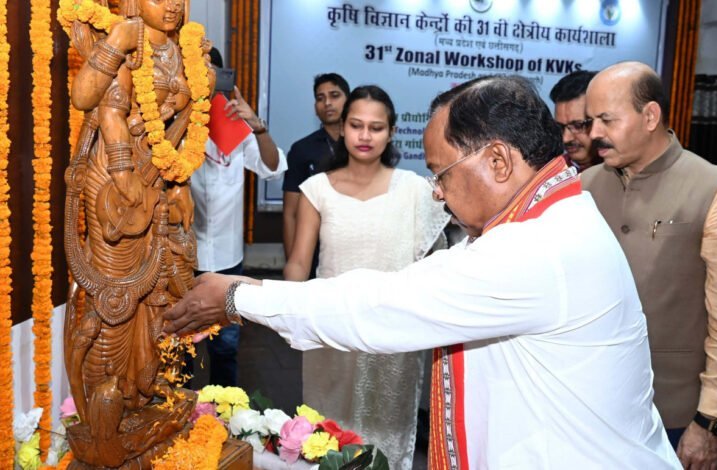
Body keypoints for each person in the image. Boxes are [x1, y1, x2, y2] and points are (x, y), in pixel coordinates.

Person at [165, 75, 680, 468]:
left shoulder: (540, 246)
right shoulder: (548, 216)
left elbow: (384, 304)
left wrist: (237, 296)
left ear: (499, 161)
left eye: (442, 173)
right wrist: (252, 288)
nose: (436, 190)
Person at [581, 61, 717, 468]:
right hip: (588, 409)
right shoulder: (583, 188)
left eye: (606, 120)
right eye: (591, 121)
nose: (595, 134)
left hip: (674, 417)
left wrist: (709, 422)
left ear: (651, 116)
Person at [62, 0, 208, 466]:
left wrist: (179, 181)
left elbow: (183, 133)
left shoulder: (189, 47)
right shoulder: (128, 36)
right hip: (116, 182)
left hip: (157, 177)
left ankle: (141, 390)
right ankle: (105, 403)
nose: (171, 4)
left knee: (157, 287)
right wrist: (116, 42)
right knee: (116, 298)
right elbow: (89, 99)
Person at [284, 85, 449, 469]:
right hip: (330, 332)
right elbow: (298, 262)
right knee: (327, 433)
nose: (365, 135)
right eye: (356, 125)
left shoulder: (414, 190)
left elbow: (437, 263)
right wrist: (286, 312)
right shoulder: (317, 189)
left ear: (391, 132)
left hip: (391, 335)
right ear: (341, 128)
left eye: (376, 127)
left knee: (385, 434)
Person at [189, 48, 288, 386]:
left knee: (225, 346)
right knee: (178, 342)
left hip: (228, 258)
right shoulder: (174, 120)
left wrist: (257, 127)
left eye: (212, 74)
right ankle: (176, 413)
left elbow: (273, 169)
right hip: (184, 257)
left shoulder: (236, 125)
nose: (206, 80)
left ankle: (222, 413)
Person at [282, 73, 350, 271]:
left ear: (349, 100)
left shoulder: (360, 145)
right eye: (320, 98)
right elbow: (290, 213)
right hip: (312, 249)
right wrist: (292, 263)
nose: (327, 103)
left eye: (335, 95)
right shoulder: (302, 150)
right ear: (315, 107)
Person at [549, 70, 602, 171]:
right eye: (560, 127)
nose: (566, 139)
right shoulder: (552, 175)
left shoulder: (626, 174)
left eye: (578, 126)